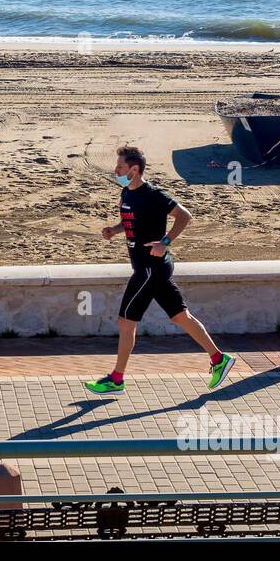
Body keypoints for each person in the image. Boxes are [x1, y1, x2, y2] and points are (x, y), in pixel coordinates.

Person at [84, 146, 236, 394]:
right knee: (180, 317)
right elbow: (130, 221)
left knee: (126, 322)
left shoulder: (153, 194)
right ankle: (219, 359)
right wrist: (114, 230)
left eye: (120, 167)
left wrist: (164, 243)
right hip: (153, 269)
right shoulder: (127, 192)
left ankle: (116, 379)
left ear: (134, 169)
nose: (116, 171)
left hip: (149, 269)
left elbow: (184, 216)